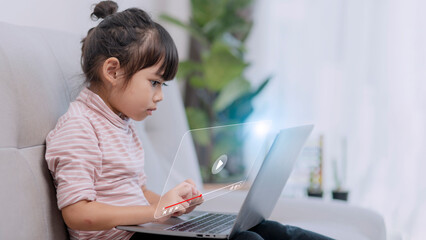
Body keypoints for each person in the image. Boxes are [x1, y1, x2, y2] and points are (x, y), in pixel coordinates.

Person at [45, 1, 333, 240]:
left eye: (163, 86)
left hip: (144, 230)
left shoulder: (120, 124)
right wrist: (155, 213)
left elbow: (138, 192)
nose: (159, 96)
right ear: (113, 71)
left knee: (272, 231)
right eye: (155, 82)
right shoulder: (79, 127)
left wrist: (171, 205)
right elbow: (79, 213)